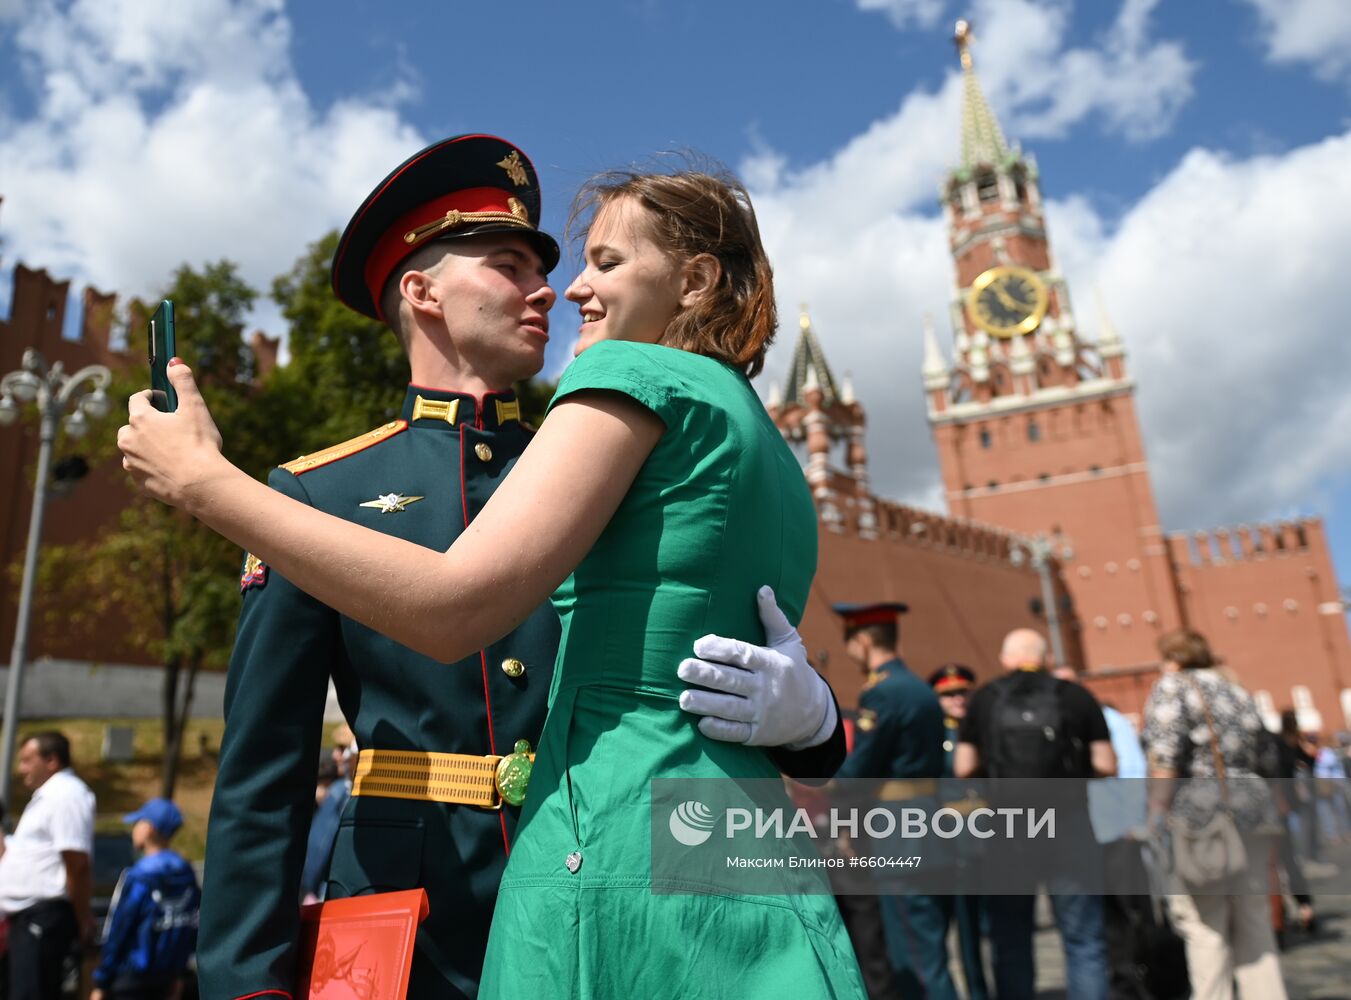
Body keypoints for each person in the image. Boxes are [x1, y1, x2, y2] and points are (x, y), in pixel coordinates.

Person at [119, 148, 863, 997]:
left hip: (602, 869)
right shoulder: (320, 493)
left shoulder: (611, 440)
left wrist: (814, 725)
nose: (549, 288)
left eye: (575, 266)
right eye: (510, 266)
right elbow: (264, 772)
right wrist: (248, 983)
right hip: (409, 928)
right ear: (423, 293)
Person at [954, 629, 1115, 1000]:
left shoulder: (987, 699)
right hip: (1070, 823)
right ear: (1045, 658)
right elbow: (1106, 763)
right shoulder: (1074, 696)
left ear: (1005, 659)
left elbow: (963, 767)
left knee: (1011, 936)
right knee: (1084, 938)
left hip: (1010, 826)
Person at [1141, 628, 1287, 1000]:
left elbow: (1165, 754)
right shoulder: (1237, 691)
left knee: (1205, 923)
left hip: (1201, 814)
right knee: (1254, 919)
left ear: (1172, 657)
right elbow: (1267, 754)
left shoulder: (1173, 687)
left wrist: (1156, 809)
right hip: (1252, 808)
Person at [832, 603, 953, 1000]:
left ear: (863, 640)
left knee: (914, 960)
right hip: (928, 825)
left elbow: (858, 771)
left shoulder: (882, 693)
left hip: (898, 832)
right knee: (929, 950)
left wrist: (817, 782)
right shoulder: (919, 688)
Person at [0, 732, 95, 1000]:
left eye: (27, 760)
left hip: (42, 917)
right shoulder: (49, 796)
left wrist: (83, 917)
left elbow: (76, 862)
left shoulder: (66, 795)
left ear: (52, 760)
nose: (21, 770)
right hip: (27, 920)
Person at [91, 799, 200, 1000]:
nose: (134, 828)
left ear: (149, 828)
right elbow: (192, 923)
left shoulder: (139, 876)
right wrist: (179, 973)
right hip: (168, 979)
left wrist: (102, 980)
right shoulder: (186, 873)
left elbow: (119, 930)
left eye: (138, 822)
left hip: (132, 979)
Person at [298, 724, 355, 903]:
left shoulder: (340, 793)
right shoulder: (339, 790)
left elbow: (319, 848)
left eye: (343, 748)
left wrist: (307, 889)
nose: (337, 755)